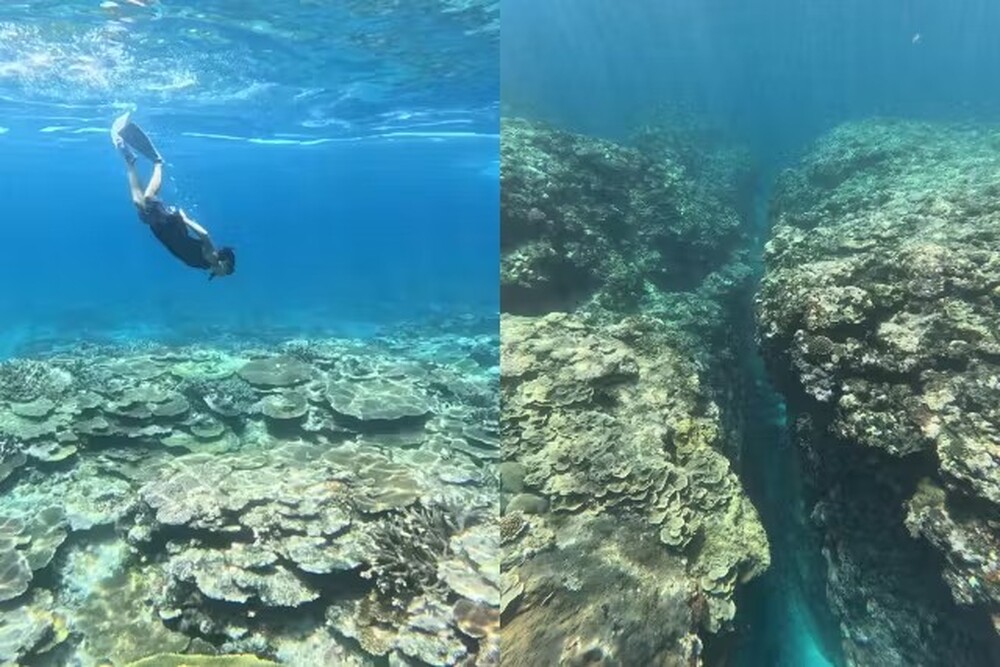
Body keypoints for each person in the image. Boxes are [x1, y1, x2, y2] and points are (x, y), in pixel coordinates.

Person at [111, 112, 236, 280]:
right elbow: (205, 235)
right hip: (172, 227)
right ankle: (158, 162)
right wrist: (185, 219)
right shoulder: (212, 257)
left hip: (166, 235)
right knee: (147, 199)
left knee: (138, 203)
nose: (222, 276)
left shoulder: (207, 266)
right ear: (224, 263)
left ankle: (130, 161)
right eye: (225, 272)